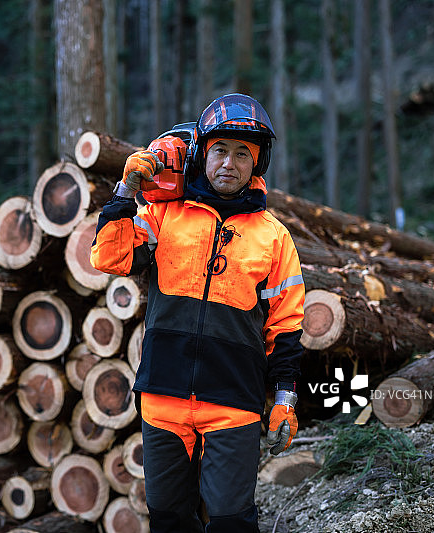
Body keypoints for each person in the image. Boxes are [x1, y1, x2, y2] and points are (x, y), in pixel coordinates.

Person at [90, 93, 305, 533]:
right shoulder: (164, 215)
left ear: (257, 163)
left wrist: (284, 401)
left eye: (243, 153)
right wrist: (126, 190)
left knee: (231, 522)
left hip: (233, 403)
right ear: (202, 155)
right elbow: (109, 258)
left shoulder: (274, 238)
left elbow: (286, 327)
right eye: (220, 150)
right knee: (168, 519)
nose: (229, 162)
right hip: (162, 397)